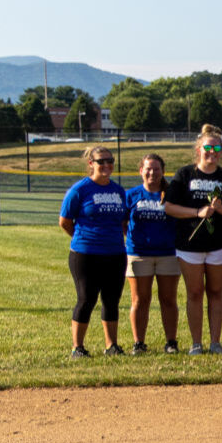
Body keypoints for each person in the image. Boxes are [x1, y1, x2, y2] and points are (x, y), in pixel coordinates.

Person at [164, 125, 222, 355]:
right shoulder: (185, 174)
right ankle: (196, 343)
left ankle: (215, 343)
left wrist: (220, 209)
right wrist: (197, 213)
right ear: (199, 149)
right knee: (195, 293)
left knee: (216, 293)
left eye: (216, 148)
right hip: (190, 246)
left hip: (219, 245)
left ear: (221, 152)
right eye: (207, 147)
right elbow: (169, 207)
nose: (212, 152)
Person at [59, 144, 129, 357]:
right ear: (91, 164)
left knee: (111, 300)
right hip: (85, 255)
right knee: (86, 299)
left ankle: (111, 346)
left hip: (115, 254)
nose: (107, 165)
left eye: (110, 161)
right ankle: (77, 347)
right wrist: (85, 240)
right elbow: (65, 222)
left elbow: (123, 221)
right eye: (102, 161)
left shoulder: (118, 191)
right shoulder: (80, 190)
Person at [124, 153, 181, 354]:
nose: (152, 173)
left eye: (156, 169)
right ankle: (139, 343)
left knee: (168, 299)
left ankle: (171, 342)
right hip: (139, 254)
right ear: (140, 171)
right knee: (140, 300)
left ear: (163, 172)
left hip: (168, 253)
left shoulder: (171, 193)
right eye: (148, 168)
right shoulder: (131, 195)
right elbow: (123, 224)